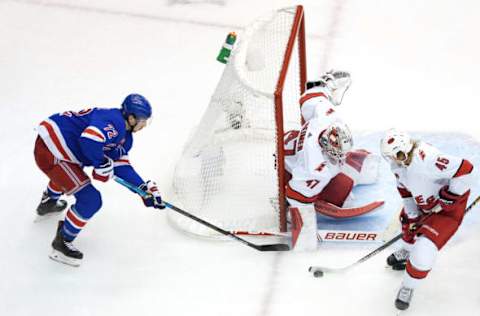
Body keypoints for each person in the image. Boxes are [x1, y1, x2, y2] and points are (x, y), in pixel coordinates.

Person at [34, 94, 165, 267]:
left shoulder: (126, 136)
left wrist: (142, 188)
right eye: (142, 120)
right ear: (131, 118)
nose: (144, 125)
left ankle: (48, 202)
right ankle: (61, 242)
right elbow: (89, 140)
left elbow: (121, 165)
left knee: (70, 175)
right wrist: (101, 162)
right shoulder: (115, 122)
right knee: (91, 200)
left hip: (58, 148)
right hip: (52, 151)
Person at [380, 129, 474, 310]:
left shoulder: (428, 159)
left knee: (423, 254)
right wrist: (413, 215)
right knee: (408, 225)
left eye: (397, 155)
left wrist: (451, 195)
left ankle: (407, 286)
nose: (394, 160)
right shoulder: (398, 165)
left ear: (407, 149)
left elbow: (466, 168)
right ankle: (406, 251)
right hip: (425, 202)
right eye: (391, 156)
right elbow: (405, 191)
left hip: (447, 210)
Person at [284, 70, 380, 214]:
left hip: (290, 144)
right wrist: (299, 214)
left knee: (362, 166)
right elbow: (297, 195)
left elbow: (311, 97)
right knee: (343, 194)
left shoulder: (328, 119)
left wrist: (325, 84)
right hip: (287, 169)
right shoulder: (315, 164)